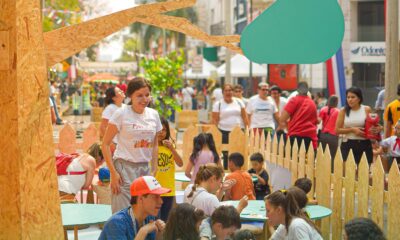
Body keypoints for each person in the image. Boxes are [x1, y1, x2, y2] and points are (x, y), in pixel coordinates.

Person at [102, 77, 163, 213]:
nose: (144, 99)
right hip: (123, 168)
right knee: (123, 213)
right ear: (130, 96)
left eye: (147, 95)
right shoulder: (121, 113)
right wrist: (113, 172)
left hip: (144, 170)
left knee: (143, 213)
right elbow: (105, 144)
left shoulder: (154, 114)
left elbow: (154, 145)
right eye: (139, 95)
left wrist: (154, 168)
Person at [99, 176, 169, 240]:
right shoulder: (116, 224)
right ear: (141, 198)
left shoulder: (149, 217)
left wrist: (159, 233)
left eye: (160, 196)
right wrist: (143, 231)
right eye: (155, 197)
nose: (161, 201)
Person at [336, 87, 379, 165]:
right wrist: (352, 130)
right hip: (348, 143)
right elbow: (337, 130)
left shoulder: (366, 109)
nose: (350, 99)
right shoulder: (343, 111)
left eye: (353, 97)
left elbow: (373, 125)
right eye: (348, 97)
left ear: (359, 98)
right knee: (348, 172)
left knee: (364, 172)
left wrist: (378, 128)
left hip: (365, 144)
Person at [184, 163, 248, 216]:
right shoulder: (210, 199)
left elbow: (211, 204)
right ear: (213, 179)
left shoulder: (189, 188)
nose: (220, 184)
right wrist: (240, 207)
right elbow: (226, 223)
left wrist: (222, 189)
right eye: (220, 181)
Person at [212, 84, 248, 168]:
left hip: (239, 131)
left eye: (230, 90)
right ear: (223, 92)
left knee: (238, 151)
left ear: (232, 92)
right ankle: (226, 168)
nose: (228, 92)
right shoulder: (218, 104)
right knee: (226, 153)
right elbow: (215, 120)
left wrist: (247, 130)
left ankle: (239, 170)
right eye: (226, 90)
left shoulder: (239, 102)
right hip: (224, 131)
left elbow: (244, 117)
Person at [155, 118, 183, 221]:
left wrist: (172, 149)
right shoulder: (150, 147)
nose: (161, 132)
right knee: (155, 221)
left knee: (166, 221)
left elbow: (180, 163)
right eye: (159, 129)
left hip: (168, 191)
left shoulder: (170, 147)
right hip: (154, 191)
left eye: (164, 130)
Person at [279, 82, 318, 151]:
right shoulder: (312, 103)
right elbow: (316, 121)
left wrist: (288, 128)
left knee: (291, 160)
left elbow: (282, 119)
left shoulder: (294, 100)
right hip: (310, 138)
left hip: (295, 136)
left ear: (297, 89)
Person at [318, 95, 340, 164]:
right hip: (333, 136)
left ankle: (321, 169)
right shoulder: (338, 112)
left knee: (322, 154)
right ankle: (331, 171)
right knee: (332, 155)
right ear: (336, 102)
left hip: (323, 135)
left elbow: (318, 121)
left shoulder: (323, 109)